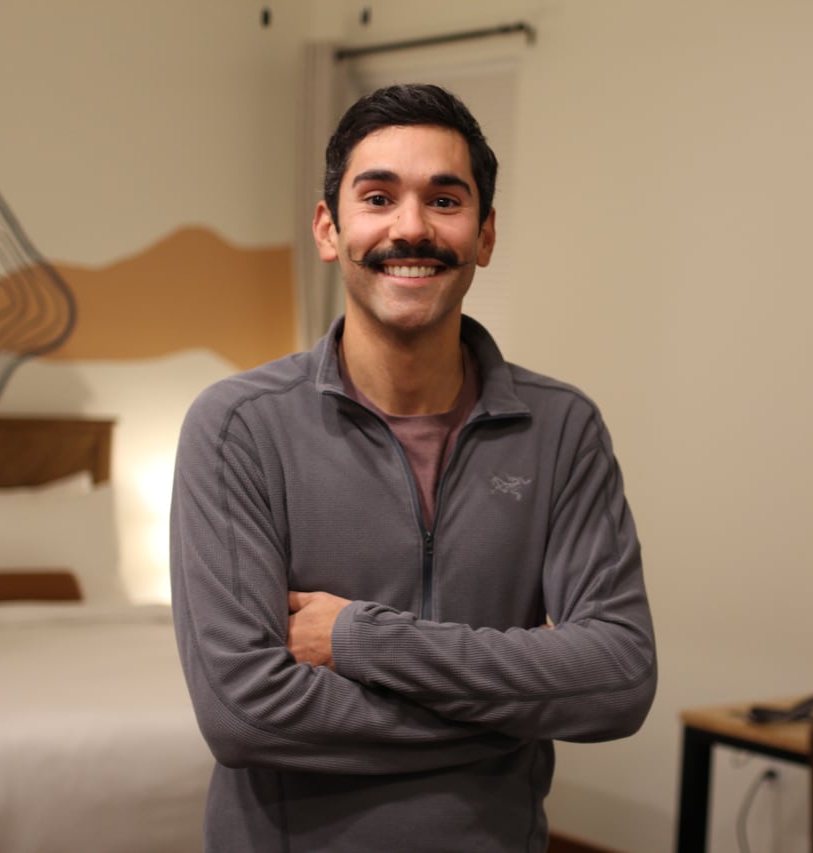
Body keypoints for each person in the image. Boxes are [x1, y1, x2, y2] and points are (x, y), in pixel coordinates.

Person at [170, 83, 657, 853]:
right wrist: (514, 707)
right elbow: (245, 712)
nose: (411, 227)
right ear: (330, 229)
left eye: (445, 199)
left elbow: (620, 676)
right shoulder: (237, 429)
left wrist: (362, 640)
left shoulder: (562, 428)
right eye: (377, 196)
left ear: (485, 234)